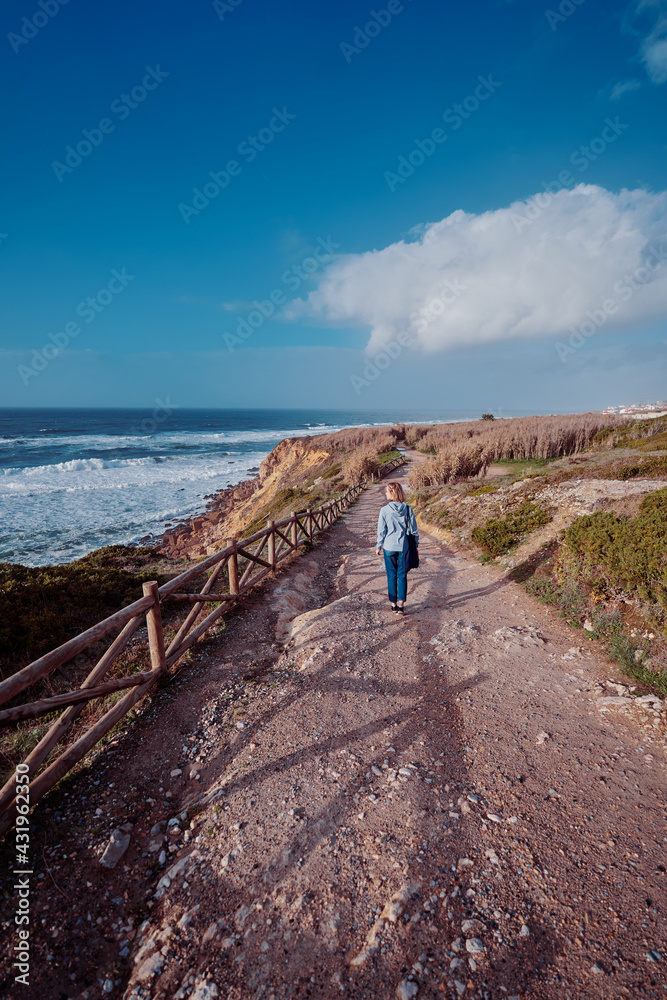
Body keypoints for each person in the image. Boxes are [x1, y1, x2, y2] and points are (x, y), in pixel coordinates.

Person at [375, 480, 419, 615]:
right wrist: (416, 545)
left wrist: (378, 545)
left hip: (389, 546)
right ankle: (401, 606)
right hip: (404, 546)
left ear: (392, 492)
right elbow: (413, 530)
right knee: (402, 575)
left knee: (391, 575)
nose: (385, 493)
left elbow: (381, 530)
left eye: (387, 491)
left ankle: (393, 604)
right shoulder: (407, 509)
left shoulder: (384, 510)